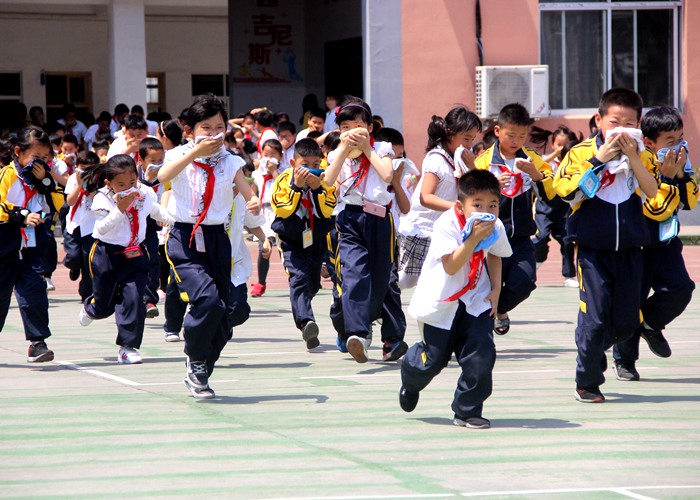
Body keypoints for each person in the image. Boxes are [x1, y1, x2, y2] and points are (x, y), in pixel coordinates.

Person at [553, 88, 659, 403]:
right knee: (595, 318)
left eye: (629, 124)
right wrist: (600, 159)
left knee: (626, 323)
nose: (620, 131)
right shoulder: (579, 152)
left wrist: (634, 157)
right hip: (591, 251)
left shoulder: (645, 153)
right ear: (599, 120)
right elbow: (568, 193)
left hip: (629, 250)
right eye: (614, 123)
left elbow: (652, 190)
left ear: (639, 125)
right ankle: (587, 381)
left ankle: (595, 345)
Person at [158, 93, 261, 399]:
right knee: (207, 300)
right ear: (189, 129)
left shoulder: (230, 161)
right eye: (206, 127)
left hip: (217, 239)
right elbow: (163, 176)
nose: (214, 134)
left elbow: (244, 189)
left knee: (224, 314)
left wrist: (253, 199)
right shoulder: (176, 155)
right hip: (184, 238)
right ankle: (196, 358)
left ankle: (199, 364)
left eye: (219, 127)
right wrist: (194, 153)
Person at [399, 169, 512, 429]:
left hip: (476, 300)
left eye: (493, 205)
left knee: (481, 355)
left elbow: (496, 254)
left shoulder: (494, 225)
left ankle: (468, 410)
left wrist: (495, 290)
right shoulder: (446, 224)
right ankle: (410, 374)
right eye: (478, 205)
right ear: (461, 206)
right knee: (433, 360)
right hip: (441, 302)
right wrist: (472, 240)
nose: (487, 210)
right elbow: (451, 266)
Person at [612, 106, 698, 381]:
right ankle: (624, 360)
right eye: (670, 141)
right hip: (637, 244)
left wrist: (681, 174)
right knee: (630, 301)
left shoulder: (679, 164)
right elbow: (653, 206)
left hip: (666, 242)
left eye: (681, 138)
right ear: (649, 142)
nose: (678, 145)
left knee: (681, 288)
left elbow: (690, 201)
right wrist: (667, 176)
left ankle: (650, 324)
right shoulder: (640, 162)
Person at [323, 96, 399, 363]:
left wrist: (367, 148)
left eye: (358, 125)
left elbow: (387, 175)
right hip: (350, 219)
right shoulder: (336, 153)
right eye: (345, 127)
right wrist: (343, 150)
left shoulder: (383, 148)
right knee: (354, 274)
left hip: (380, 219)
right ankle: (356, 334)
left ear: (369, 127)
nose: (351, 131)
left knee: (381, 280)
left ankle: (369, 329)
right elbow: (328, 181)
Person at [78, 154, 174, 364]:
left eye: (132, 182)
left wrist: (172, 220)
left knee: (133, 298)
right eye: (121, 184)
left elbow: (154, 209)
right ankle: (91, 307)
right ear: (108, 183)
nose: (128, 187)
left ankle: (127, 347)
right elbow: (101, 228)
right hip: (107, 254)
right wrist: (121, 208)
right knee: (104, 304)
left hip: (135, 253)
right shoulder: (102, 199)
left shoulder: (144, 192)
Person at [474, 103, 555, 335]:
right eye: (511, 134)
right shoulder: (483, 162)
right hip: (488, 237)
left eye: (522, 135)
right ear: (497, 131)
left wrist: (536, 175)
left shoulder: (532, 159)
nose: (516, 140)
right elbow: (469, 195)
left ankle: (499, 310)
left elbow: (552, 192)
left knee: (525, 281)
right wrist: (491, 186)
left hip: (520, 237)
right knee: (486, 287)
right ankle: (480, 332)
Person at [398, 107, 482, 289]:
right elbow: (425, 197)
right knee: (406, 280)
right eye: (466, 138)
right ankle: (377, 301)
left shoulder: (457, 158)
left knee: (440, 279)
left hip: (441, 230)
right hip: (421, 230)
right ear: (450, 134)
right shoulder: (437, 158)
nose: (469, 144)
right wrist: (457, 207)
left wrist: (472, 167)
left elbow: (476, 188)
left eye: (472, 139)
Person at [0, 126, 64, 362]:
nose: (41, 163)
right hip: (5, 241)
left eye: (46, 159)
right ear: (18, 152)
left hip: (32, 245)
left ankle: (38, 343)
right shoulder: (7, 175)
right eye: (36, 158)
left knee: (35, 291)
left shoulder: (44, 180)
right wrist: (20, 215)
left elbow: (58, 201)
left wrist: (45, 182)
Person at [271, 138, 336, 349]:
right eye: (305, 164)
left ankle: (303, 307)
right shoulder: (283, 179)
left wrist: (318, 189)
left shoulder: (326, 179)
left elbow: (327, 210)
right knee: (298, 278)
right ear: (293, 163)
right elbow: (282, 209)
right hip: (291, 239)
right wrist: (297, 187)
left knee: (313, 284)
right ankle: (306, 322)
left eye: (316, 164)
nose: (310, 169)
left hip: (315, 238)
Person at [529, 125, 582, 287]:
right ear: (552, 144)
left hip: (563, 207)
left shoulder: (571, 162)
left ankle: (569, 276)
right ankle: (533, 266)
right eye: (558, 144)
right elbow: (537, 166)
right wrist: (554, 155)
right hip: (545, 207)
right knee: (541, 237)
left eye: (564, 144)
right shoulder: (546, 159)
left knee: (567, 240)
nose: (561, 148)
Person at [136, 137, 167, 318]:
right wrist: (147, 181)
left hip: (151, 229)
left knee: (153, 261)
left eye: (160, 161)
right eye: (152, 161)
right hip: (131, 230)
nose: (157, 165)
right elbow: (138, 198)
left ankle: (149, 300)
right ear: (141, 161)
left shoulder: (166, 177)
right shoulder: (133, 177)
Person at [64, 151, 101, 300]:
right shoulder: (73, 178)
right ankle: (73, 267)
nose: (86, 173)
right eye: (82, 169)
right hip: (74, 224)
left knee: (89, 262)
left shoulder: (100, 180)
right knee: (73, 256)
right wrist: (80, 185)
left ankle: (86, 292)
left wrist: (91, 187)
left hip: (91, 228)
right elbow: (70, 202)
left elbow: (98, 203)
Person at [250, 139, 283, 297]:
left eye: (273, 155)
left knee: (285, 248)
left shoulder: (283, 173)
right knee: (264, 248)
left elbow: (283, 188)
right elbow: (251, 191)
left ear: (280, 157)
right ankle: (261, 282)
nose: (268, 158)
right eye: (266, 154)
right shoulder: (257, 174)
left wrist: (274, 171)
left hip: (279, 211)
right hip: (263, 212)